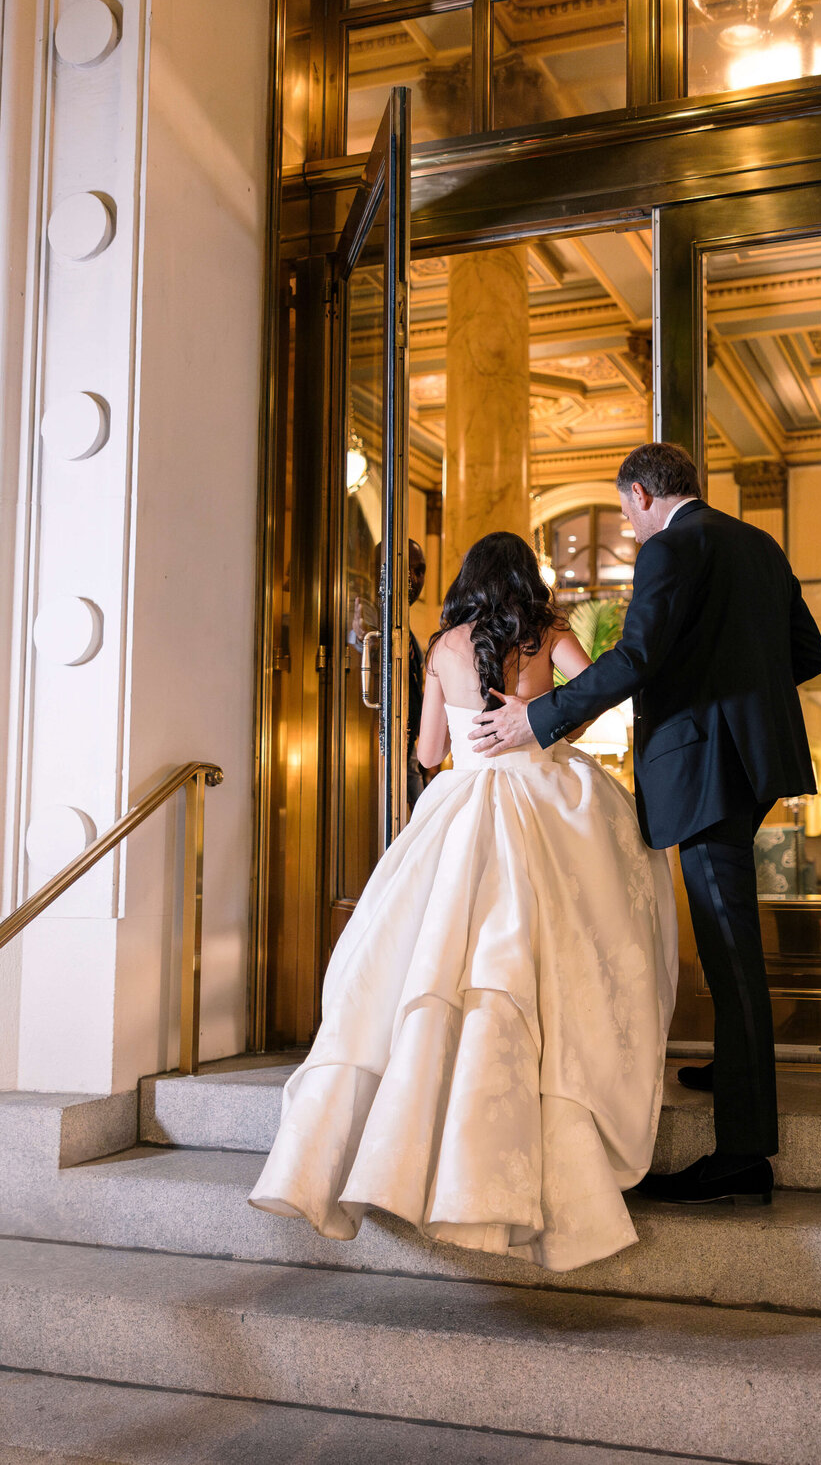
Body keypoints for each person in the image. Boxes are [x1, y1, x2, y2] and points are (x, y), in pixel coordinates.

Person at [249, 532, 678, 1272]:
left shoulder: (444, 644)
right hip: (546, 796)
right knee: (553, 952)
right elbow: (608, 681)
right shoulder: (547, 633)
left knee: (431, 963)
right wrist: (554, 723)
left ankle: (392, 1147)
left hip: (464, 802)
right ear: (527, 577)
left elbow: (425, 752)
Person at [473, 443, 821, 1207]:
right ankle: (734, 1066)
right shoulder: (759, 544)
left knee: (730, 946)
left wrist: (539, 719)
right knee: (725, 928)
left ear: (639, 495)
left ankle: (743, 1153)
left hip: (706, 764)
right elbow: (808, 651)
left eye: (627, 512)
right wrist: (734, 687)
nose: (631, 529)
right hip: (756, 760)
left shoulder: (671, 546)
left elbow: (636, 656)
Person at [406, 537, 428, 813]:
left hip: (409, 749)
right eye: (406, 569)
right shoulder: (370, 622)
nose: (413, 578)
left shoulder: (408, 635)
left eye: (419, 571)